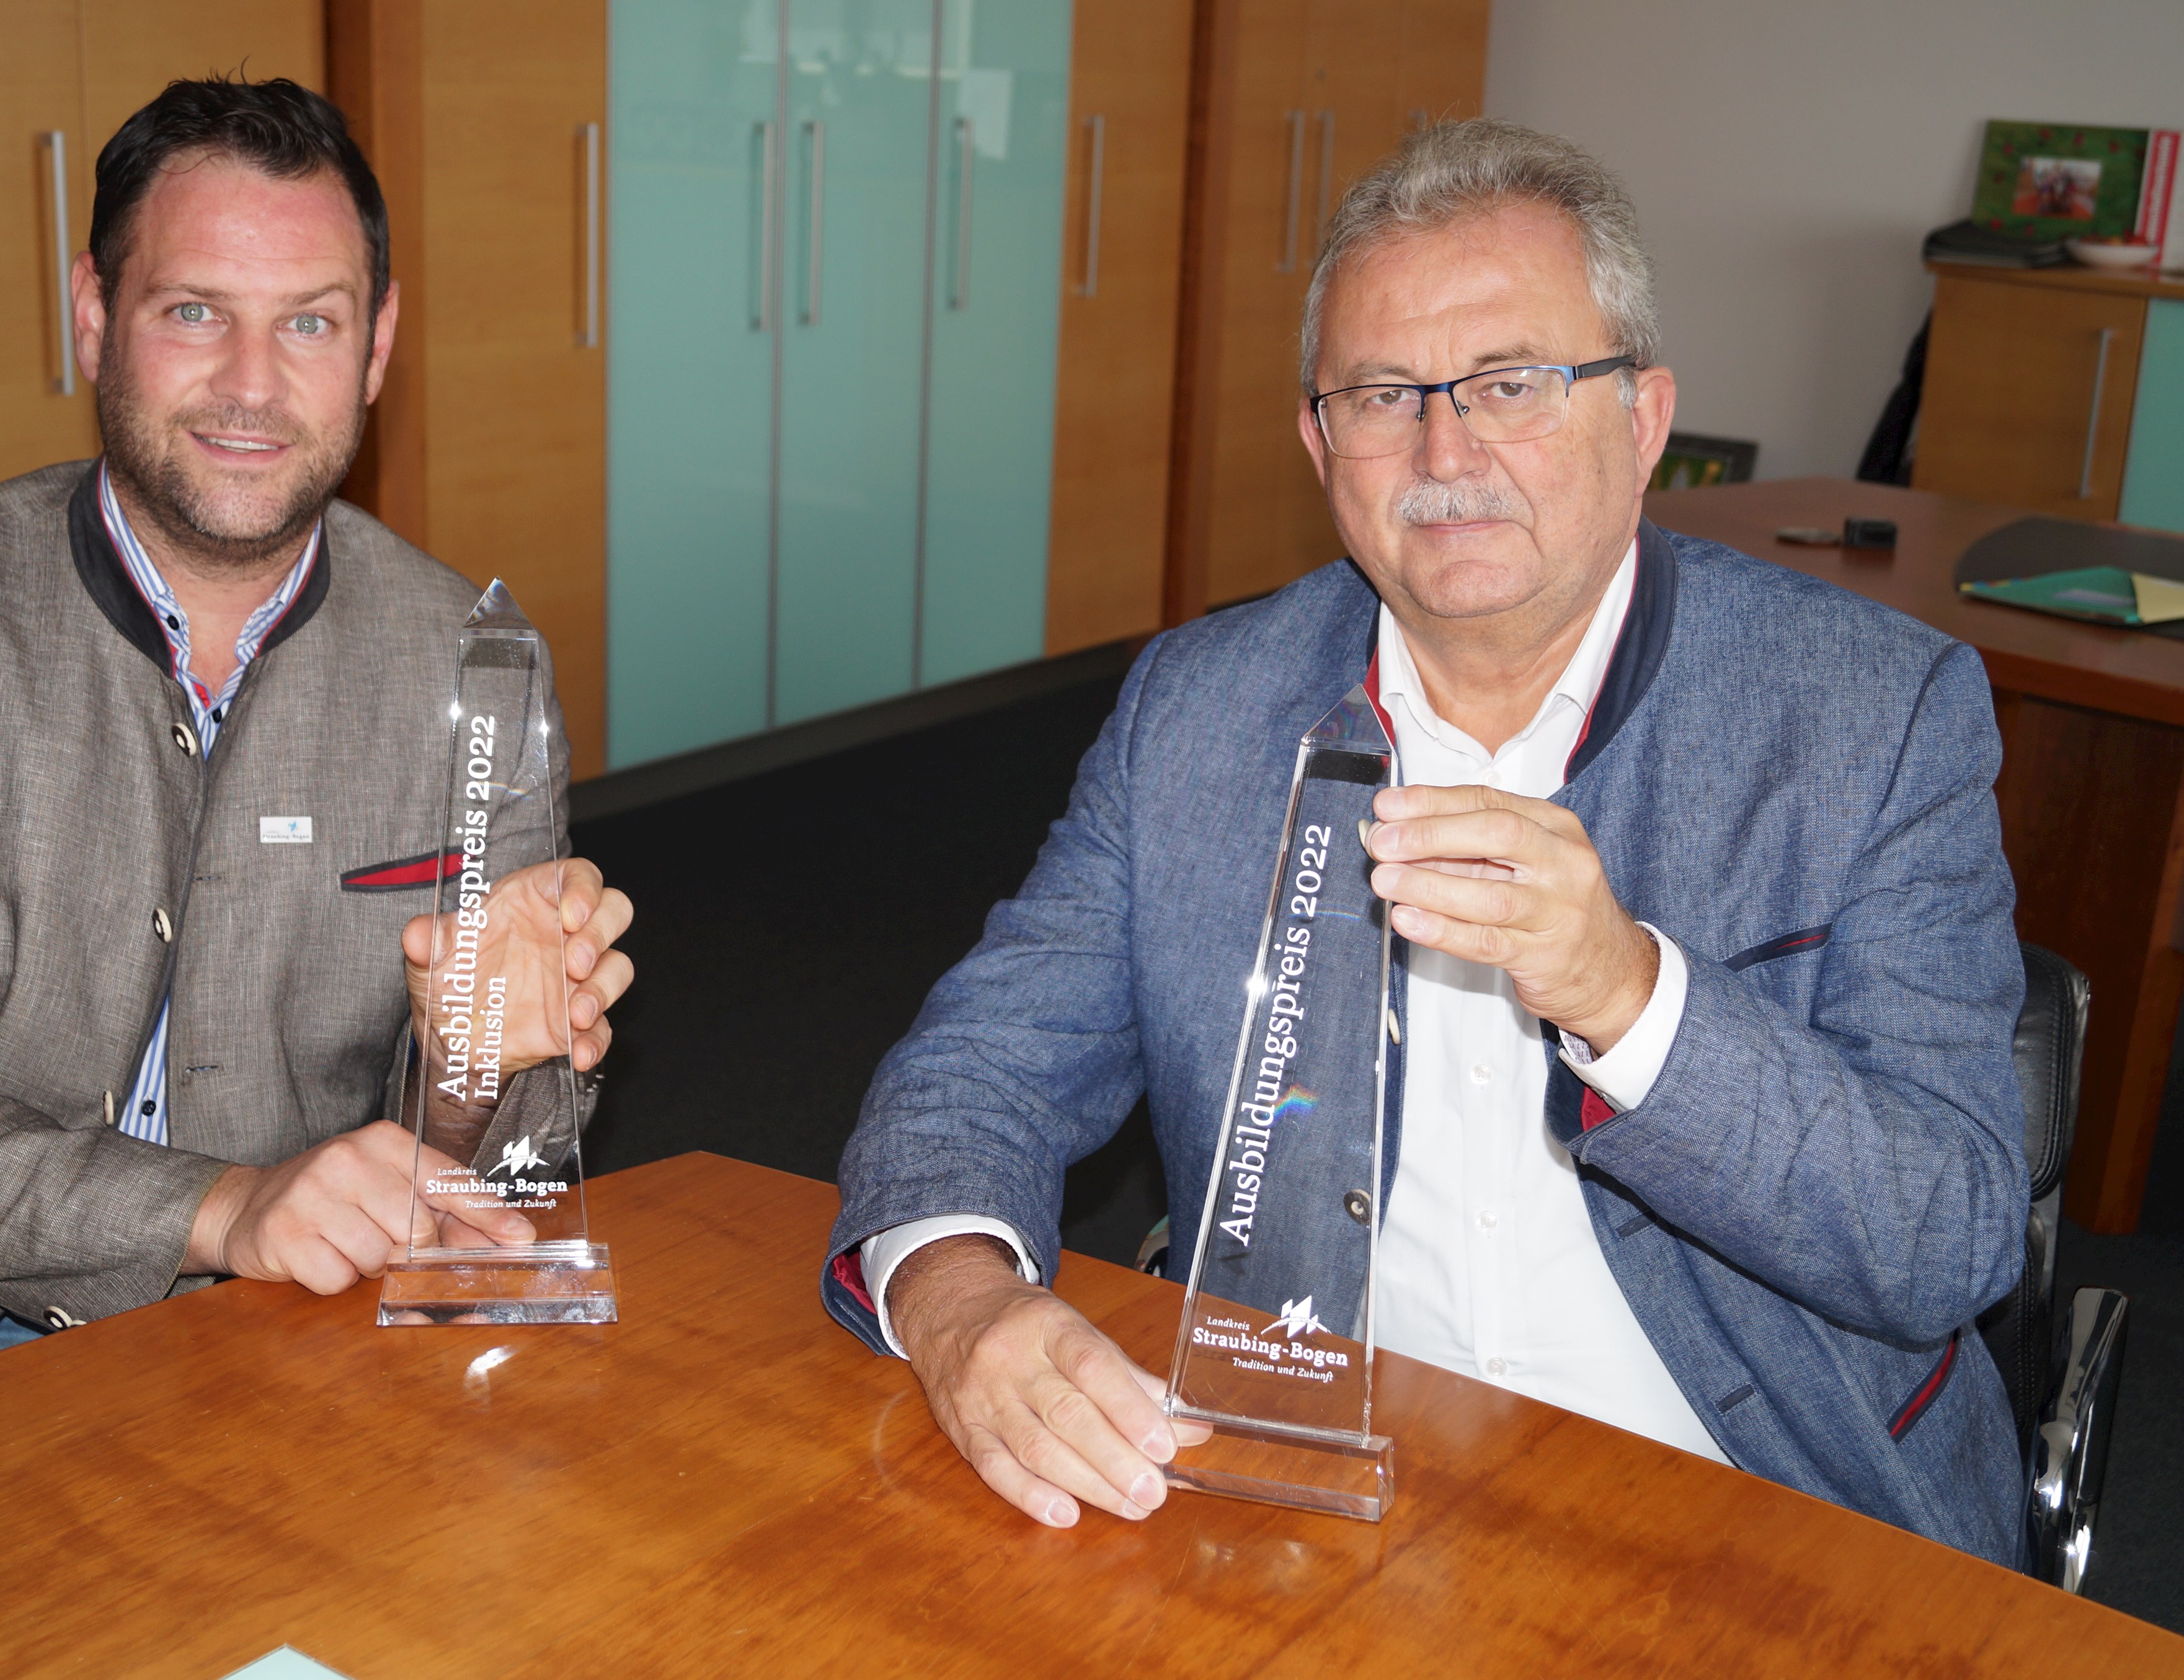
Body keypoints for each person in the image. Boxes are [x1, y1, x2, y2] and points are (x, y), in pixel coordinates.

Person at [821, 120, 2030, 1566]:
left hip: (1749, 1492)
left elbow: (1944, 1233)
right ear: (1319, 442)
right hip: (1308, 1476)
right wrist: (962, 1302)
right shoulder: (1201, 709)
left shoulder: (1868, 716)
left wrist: (1625, 993)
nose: (1444, 450)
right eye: (1384, 394)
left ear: (1642, 418)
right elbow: (975, 1072)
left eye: (1510, 383)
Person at [0, 79, 633, 1461]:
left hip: (289, 1351)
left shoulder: (474, 659)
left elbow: (469, 1144)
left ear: (377, 345)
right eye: (193, 312)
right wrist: (218, 1208)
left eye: (308, 321)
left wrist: (482, 1059)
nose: (252, 383)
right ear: (94, 316)